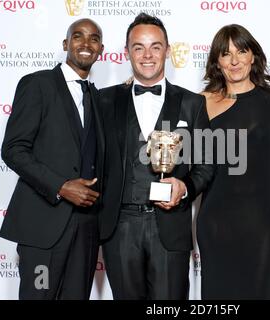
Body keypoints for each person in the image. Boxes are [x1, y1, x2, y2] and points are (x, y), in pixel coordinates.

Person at [99, 13, 214, 300]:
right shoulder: (102, 101)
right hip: (119, 229)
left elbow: (206, 164)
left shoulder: (192, 103)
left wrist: (185, 186)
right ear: (127, 52)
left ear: (168, 50)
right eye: (138, 47)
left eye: (155, 46)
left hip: (170, 228)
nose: (147, 55)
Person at [0, 18, 105, 299]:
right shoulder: (38, 84)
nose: (85, 43)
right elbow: (13, 149)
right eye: (78, 36)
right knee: (39, 295)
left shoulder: (96, 97)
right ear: (65, 43)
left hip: (85, 231)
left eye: (93, 38)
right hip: (42, 229)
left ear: (101, 49)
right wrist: (61, 186)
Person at [196, 24, 270, 299]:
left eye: (242, 51)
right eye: (226, 54)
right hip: (215, 223)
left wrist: (262, 164)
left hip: (264, 223)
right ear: (217, 61)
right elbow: (186, 155)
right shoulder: (199, 102)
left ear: (253, 56)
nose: (235, 60)